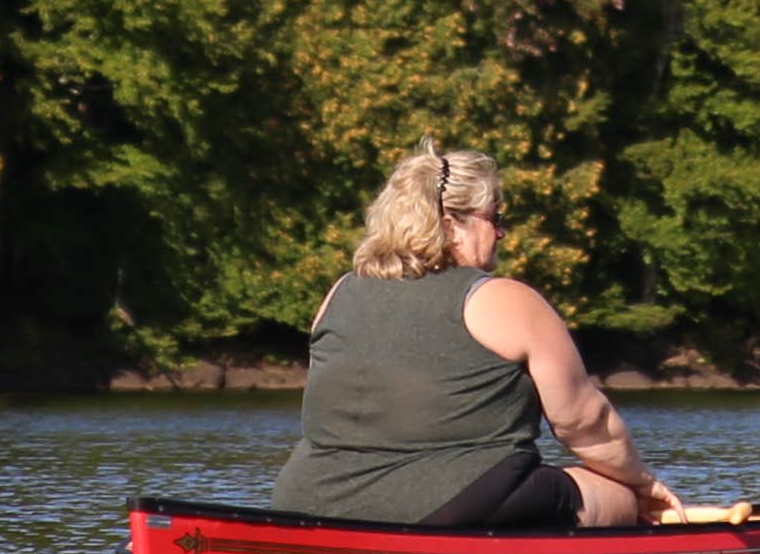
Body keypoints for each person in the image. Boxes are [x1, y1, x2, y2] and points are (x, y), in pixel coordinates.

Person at [270, 146, 676, 531]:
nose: (501, 233)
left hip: (304, 505)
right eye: (494, 218)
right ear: (450, 226)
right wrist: (642, 484)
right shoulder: (504, 299)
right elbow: (585, 422)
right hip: (449, 508)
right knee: (615, 496)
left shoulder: (338, 293)